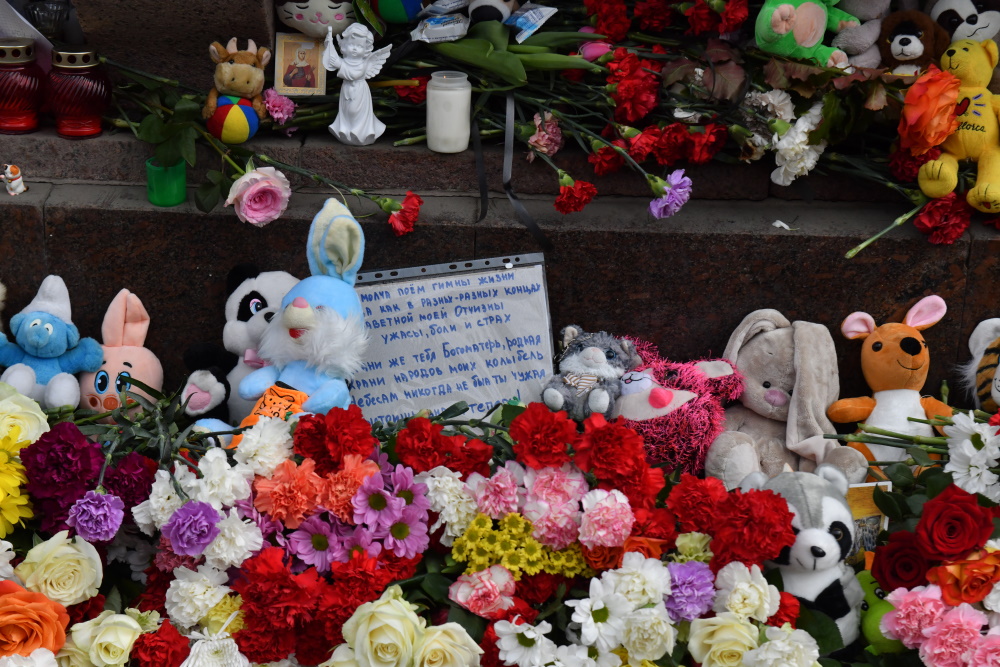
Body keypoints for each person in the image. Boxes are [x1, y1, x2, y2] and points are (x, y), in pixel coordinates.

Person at [322, 24, 391, 146]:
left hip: (358, 90)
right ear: (344, 46)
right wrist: (329, 45)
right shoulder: (345, 60)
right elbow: (332, 60)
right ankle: (345, 130)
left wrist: (340, 65)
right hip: (346, 89)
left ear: (366, 49)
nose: (354, 49)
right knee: (346, 111)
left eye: (359, 46)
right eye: (351, 45)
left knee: (355, 111)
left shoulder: (363, 63)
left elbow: (354, 75)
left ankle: (359, 132)